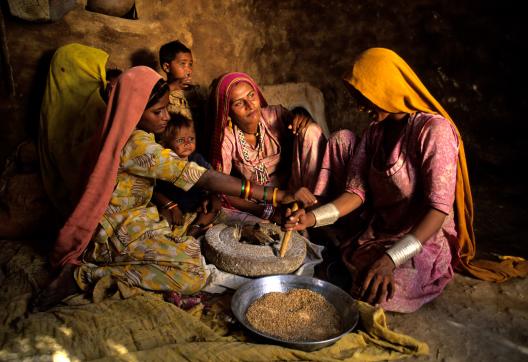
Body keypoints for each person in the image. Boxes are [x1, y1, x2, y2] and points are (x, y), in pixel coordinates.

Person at [33, 66, 316, 311]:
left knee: (194, 241)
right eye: (158, 111)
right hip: (116, 230)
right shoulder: (138, 145)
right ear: (134, 112)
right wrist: (274, 195)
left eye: (167, 107)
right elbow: (202, 177)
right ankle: (84, 276)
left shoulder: (126, 135)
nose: (167, 117)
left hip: (136, 217)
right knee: (192, 273)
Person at [285, 47, 528, 313]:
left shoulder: (434, 131)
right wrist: (312, 218)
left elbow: (438, 210)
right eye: (356, 97)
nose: (359, 105)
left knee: (382, 290)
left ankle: (383, 261)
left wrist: (391, 259)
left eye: (364, 96)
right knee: (365, 277)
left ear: (386, 88)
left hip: (422, 235)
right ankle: (357, 254)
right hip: (381, 229)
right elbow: (356, 192)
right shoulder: (374, 133)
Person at [209, 72, 326, 221]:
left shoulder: (275, 115)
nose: (250, 106)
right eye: (238, 103)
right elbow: (221, 187)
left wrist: (303, 120)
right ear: (228, 112)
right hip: (258, 199)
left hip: (297, 191)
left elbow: (308, 137)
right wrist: (266, 212)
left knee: (311, 130)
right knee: (219, 204)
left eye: (251, 95)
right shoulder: (227, 137)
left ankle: (314, 208)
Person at [38, 43, 121, 221]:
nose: (101, 78)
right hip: (86, 198)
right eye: (95, 69)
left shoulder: (93, 104)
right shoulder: (89, 109)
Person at [154, 113, 220, 237]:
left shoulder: (197, 159)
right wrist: (173, 207)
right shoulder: (164, 164)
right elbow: (155, 191)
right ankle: (165, 237)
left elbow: (213, 179)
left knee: (213, 208)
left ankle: (194, 231)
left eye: (191, 139)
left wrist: (209, 196)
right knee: (163, 216)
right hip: (172, 203)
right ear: (165, 144)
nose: (187, 143)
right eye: (180, 140)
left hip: (196, 202)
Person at [159, 40, 195, 120]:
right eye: (183, 64)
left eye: (190, 64)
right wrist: (175, 85)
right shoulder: (161, 94)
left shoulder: (195, 93)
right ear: (167, 67)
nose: (188, 70)